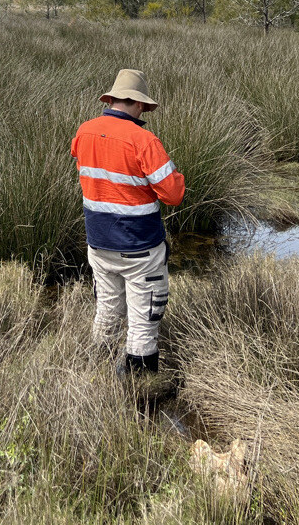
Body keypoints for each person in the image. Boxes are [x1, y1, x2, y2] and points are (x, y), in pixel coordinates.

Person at [71, 68, 185, 374]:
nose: (145, 111)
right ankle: (140, 394)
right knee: (144, 324)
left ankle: (96, 377)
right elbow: (174, 193)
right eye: (144, 107)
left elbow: (88, 164)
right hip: (139, 248)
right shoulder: (143, 140)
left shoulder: (85, 131)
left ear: (112, 99)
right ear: (137, 103)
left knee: (106, 312)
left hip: (98, 243)